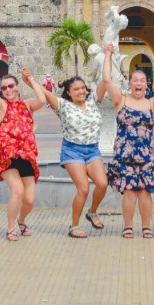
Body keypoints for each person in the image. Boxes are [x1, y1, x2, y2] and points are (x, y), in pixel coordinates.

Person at [100, 44, 154, 239]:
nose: (139, 83)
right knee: (130, 192)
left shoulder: (152, 103)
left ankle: (146, 227)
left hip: (145, 156)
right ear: (130, 83)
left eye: (142, 80)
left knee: (145, 192)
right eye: (135, 80)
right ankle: (127, 227)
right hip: (125, 156)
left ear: (146, 84)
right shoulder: (121, 100)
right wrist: (108, 55)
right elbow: (107, 79)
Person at [0, 69, 47, 241]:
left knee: (30, 199)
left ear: (17, 87)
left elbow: (42, 99)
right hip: (7, 157)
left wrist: (30, 80)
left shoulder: (27, 105)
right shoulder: (1, 105)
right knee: (18, 191)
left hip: (26, 156)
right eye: (4, 88)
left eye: (11, 86)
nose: (7, 90)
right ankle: (10, 229)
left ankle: (22, 221)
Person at [45, 74, 110, 238]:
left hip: (93, 150)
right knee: (83, 189)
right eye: (76, 89)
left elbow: (106, 79)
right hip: (72, 150)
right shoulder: (63, 106)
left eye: (82, 88)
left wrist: (108, 55)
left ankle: (92, 212)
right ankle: (74, 225)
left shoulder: (93, 101)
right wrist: (29, 80)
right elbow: (46, 94)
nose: (81, 91)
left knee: (102, 184)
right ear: (69, 92)